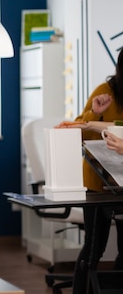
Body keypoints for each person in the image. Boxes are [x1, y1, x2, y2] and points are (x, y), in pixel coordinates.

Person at [56, 49, 123, 294]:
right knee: (94, 248)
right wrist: (93, 114)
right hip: (98, 181)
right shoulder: (105, 93)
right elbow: (75, 129)